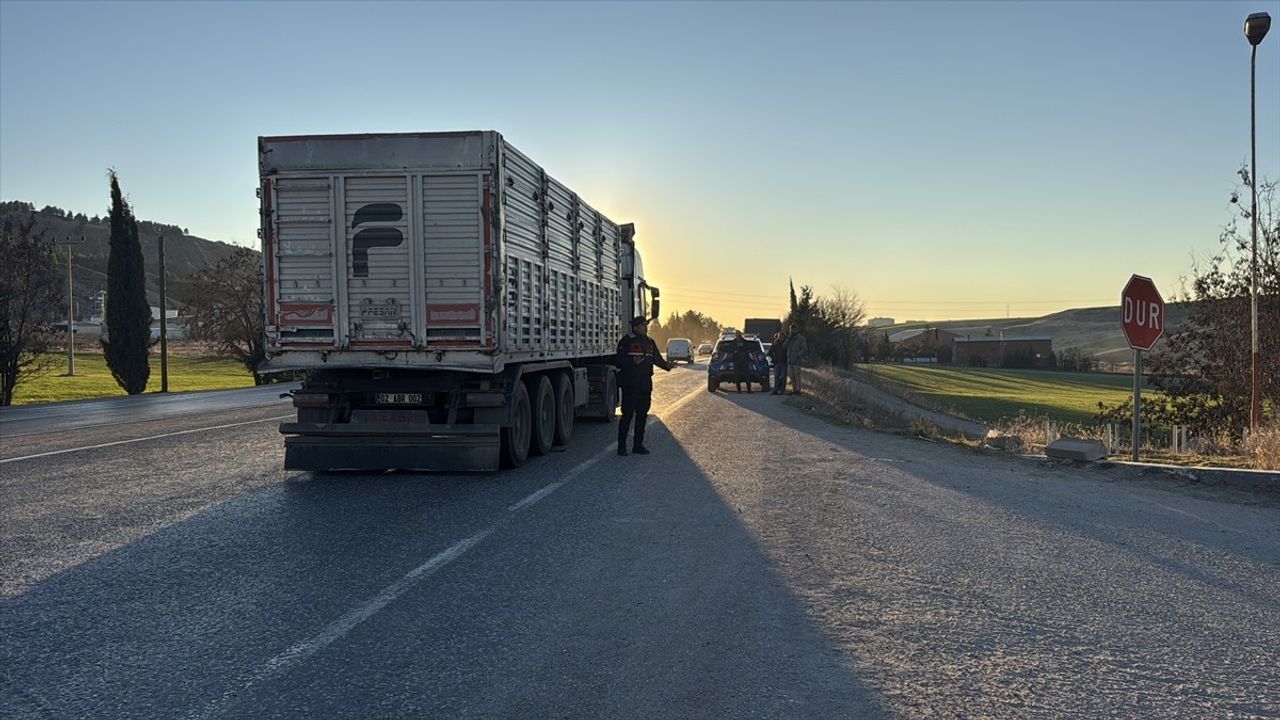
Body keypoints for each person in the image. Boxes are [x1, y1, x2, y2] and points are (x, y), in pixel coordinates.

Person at [614, 316, 673, 456]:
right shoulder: (626, 341)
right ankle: (621, 447)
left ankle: (638, 445)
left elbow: (657, 359)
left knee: (642, 416)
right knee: (627, 416)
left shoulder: (650, 342)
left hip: (645, 385)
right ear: (635, 327)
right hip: (631, 384)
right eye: (642, 325)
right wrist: (632, 361)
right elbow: (618, 360)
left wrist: (667, 366)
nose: (645, 327)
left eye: (646, 325)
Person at [785, 323, 808, 395]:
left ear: (797, 330)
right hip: (789, 361)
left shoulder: (801, 339)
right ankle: (792, 389)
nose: (793, 331)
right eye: (792, 329)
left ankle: (798, 390)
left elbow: (804, 349)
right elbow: (784, 346)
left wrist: (798, 355)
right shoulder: (790, 339)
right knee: (790, 376)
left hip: (797, 361)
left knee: (797, 376)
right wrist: (789, 338)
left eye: (794, 329)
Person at [768, 330, 788, 395]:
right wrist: (773, 358)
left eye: (781, 336)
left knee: (783, 377)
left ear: (784, 337)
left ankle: (782, 390)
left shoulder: (786, 344)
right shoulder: (775, 343)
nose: (780, 337)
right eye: (779, 336)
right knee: (776, 377)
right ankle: (776, 390)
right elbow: (770, 351)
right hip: (777, 363)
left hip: (784, 363)